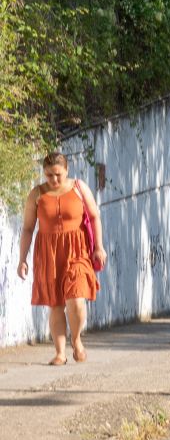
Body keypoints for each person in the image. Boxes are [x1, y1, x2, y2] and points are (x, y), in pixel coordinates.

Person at [16, 153, 107, 366]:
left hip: (78, 250)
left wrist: (99, 247)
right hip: (48, 253)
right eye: (49, 175)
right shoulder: (36, 194)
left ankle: (76, 341)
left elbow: (94, 216)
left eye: (57, 174)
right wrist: (22, 259)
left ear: (66, 170)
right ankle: (59, 353)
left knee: (76, 297)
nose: (54, 179)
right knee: (55, 304)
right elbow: (28, 229)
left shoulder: (78, 187)